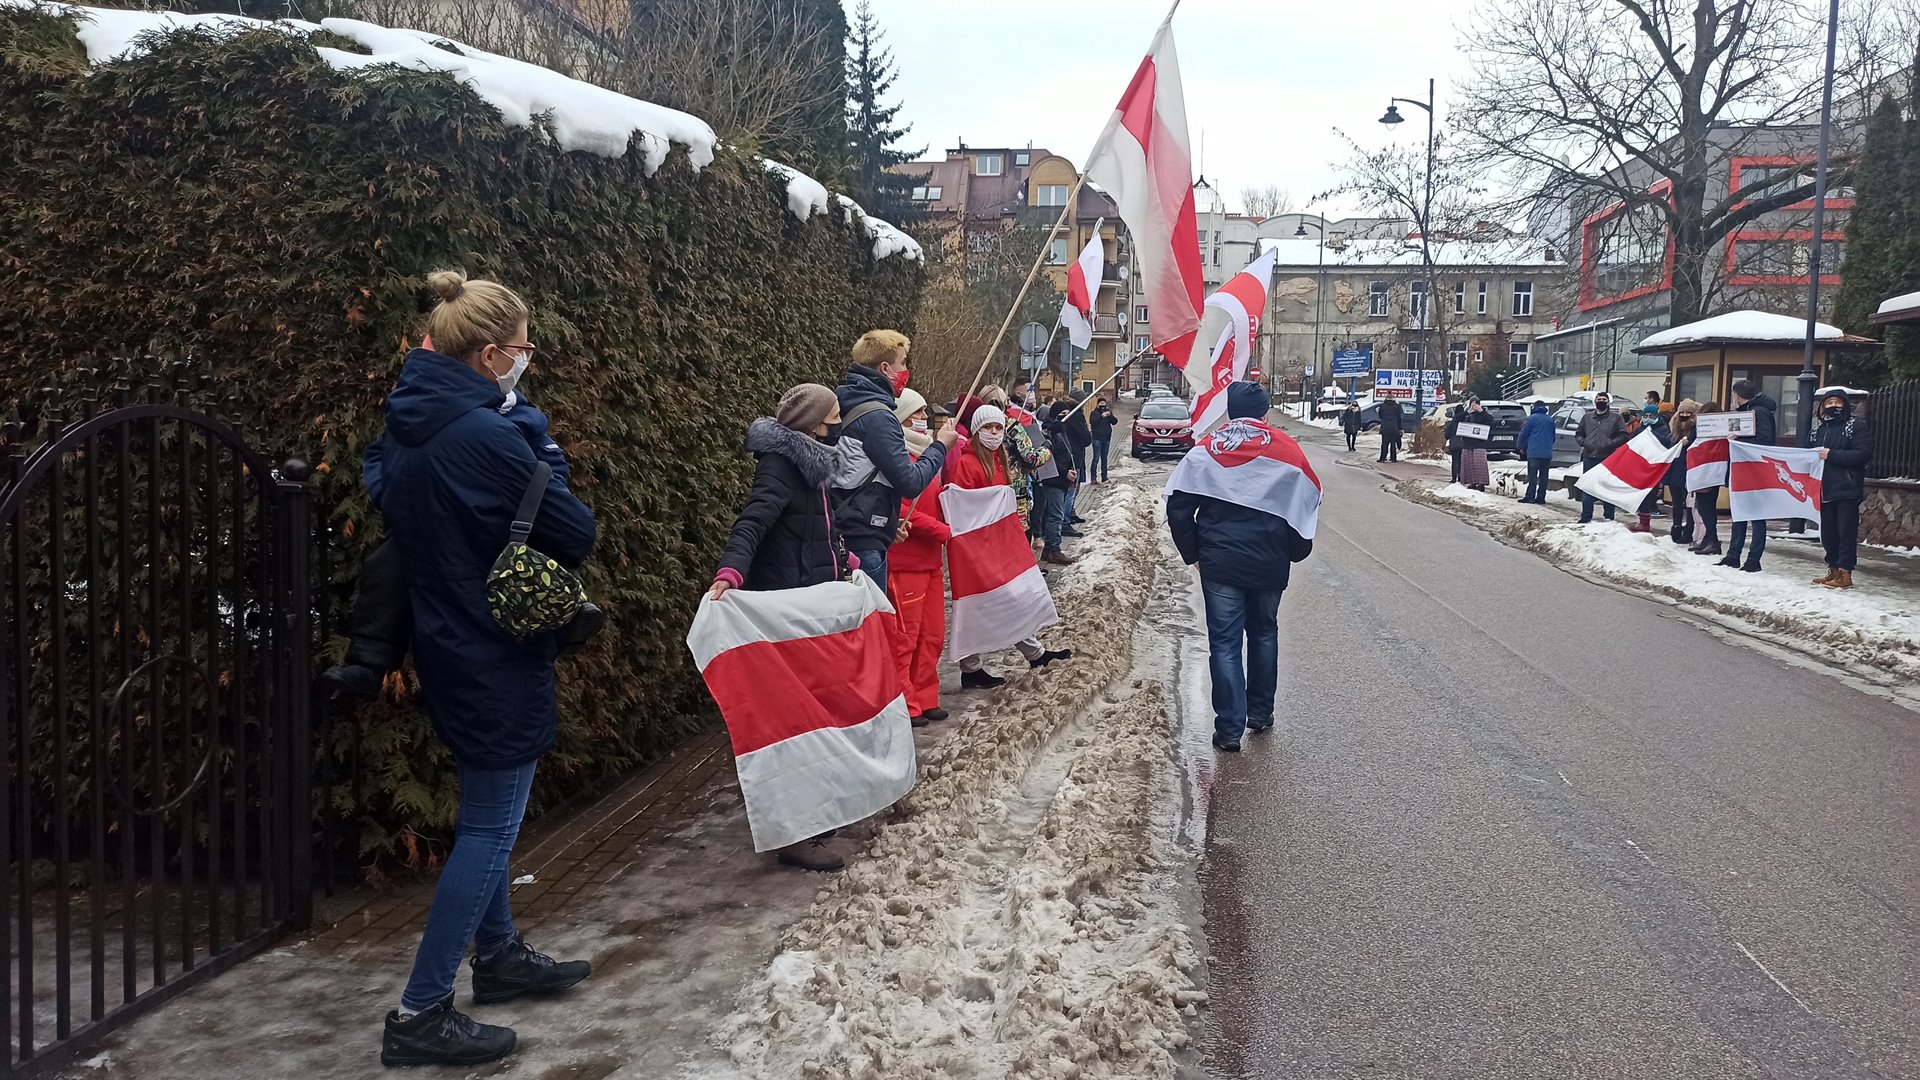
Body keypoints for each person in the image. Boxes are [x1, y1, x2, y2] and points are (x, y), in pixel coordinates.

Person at [371, 271, 596, 1068]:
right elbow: (575, 531)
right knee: (490, 830)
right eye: (523, 353)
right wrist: (541, 440)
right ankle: (420, 1011)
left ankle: (497, 959)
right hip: (493, 644)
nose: (527, 365)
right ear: (490, 354)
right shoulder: (489, 433)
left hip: (443, 633)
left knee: (485, 815)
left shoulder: (406, 422)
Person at [1166, 382, 1314, 753]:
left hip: (1221, 561)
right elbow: (1307, 498)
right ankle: (1261, 713)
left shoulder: (1207, 450)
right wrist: (1296, 549)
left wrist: (1193, 551)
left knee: (1225, 644)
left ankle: (1229, 730)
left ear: (1231, 411)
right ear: (1265, 412)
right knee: (1264, 633)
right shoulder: (1287, 449)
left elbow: (1178, 504)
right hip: (1270, 559)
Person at [945, 403, 1072, 687]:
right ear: (977, 431)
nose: (994, 433)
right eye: (988, 428)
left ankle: (1033, 653)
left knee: (1009, 598)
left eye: (998, 428)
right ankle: (971, 667)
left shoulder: (998, 459)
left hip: (998, 544)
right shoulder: (966, 464)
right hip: (977, 548)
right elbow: (964, 509)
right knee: (982, 604)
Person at [831, 329, 957, 592]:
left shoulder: (843, 403)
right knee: (872, 627)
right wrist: (939, 447)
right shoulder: (879, 417)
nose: (906, 370)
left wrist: (887, 525)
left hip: (849, 531)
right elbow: (910, 482)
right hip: (864, 543)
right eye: (903, 363)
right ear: (886, 368)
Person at [886, 388, 953, 726]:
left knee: (931, 634)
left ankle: (926, 696)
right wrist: (937, 528)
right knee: (905, 638)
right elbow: (896, 508)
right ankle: (905, 702)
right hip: (905, 560)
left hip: (929, 562)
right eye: (918, 411)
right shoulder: (896, 457)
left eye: (926, 411)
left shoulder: (926, 455)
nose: (924, 418)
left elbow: (929, 498)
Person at [1809, 389, 1874, 589]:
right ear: (1822, 406)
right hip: (1823, 490)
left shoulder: (1855, 426)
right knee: (1828, 534)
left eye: (1837, 402)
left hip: (1846, 488)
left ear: (1845, 405)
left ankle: (1846, 573)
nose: (1833, 406)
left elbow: (1862, 454)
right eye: (1829, 403)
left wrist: (1832, 455)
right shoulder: (1817, 431)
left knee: (1845, 532)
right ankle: (1833, 569)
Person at [1720, 379, 1777, 572]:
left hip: (1754, 470)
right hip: (1742, 469)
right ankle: (1733, 555)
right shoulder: (1748, 412)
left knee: (1757, 515)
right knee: (1739, 512)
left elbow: (1765, 440)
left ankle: (1753, 558)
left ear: (1737, 395)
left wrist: (1739, 438)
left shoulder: (1759, 412)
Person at [1575, 392, 1630, 524]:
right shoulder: (1587, 418)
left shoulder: (1616, 418)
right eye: (1599, 399)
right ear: (1595, 401)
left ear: (1608, 402)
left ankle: (1609, 517)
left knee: (1607, 487)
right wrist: (1584, 442)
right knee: (1588, 487)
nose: (1601, 401)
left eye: (1604, 399)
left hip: (1607, 458)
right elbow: (1578, 433)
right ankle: (1586, 516)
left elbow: (1623, 435)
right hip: (1589, 456)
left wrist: (1610, 444)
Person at [1037, 401, 1081, 564]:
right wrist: (1064, 472)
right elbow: (1050, 457)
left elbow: (1067, 454)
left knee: (1053, 514)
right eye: (1062, 414)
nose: (1066, 417)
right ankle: (1054, 548)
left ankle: (1049, 548)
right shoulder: (1050, 431)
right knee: (1056, 515)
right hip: (1053, 480)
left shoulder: (1062, 430)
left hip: (1062, 479)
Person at [1690, 401, 1726, 557]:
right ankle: (1708, 539)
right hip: (1709, 473)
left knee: (1706, 509)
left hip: (1706, 473)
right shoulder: (1719, 431)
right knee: (1705, 508)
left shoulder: (1712, 432)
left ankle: (1713, 540)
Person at [1630, 406, 1672, 533]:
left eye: (1651, 416)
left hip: (1654, 467)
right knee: (1641, 494)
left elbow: (1667, 443)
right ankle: (1642, 520)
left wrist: (1652, 434)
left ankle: (1646, 521)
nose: (1648, 418)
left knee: (1650, 494)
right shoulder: (1640, 429)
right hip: (1641, 465)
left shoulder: (1663, 429)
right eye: (1646, 416)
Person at [1665, 400, 1700, 544]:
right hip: (1675, 470)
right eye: (1682, 413)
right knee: (1677, 502)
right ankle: (1677, 526)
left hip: (1688, 470)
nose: (1685, 415)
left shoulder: (1695, 430)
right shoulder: (1674, 429)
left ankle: (1689, 530)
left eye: (1688, 413)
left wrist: (1689, 443)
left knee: (1689, 503)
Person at [1062, 391, 1094, 532]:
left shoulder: (1065, 412)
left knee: (1073, 488)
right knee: (1071, 490)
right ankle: (1065, 522)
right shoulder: (1076, 414)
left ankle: (1071, 514)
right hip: (1074, 455)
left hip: (1068, 455)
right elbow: (1086, 439)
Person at [1517, 400, 1555, 503]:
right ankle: (1541, 497)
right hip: (1547, 453)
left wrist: (1520, 446)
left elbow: (1524, 433)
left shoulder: (1531, 419)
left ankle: (1530, 496)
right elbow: (1553, 437)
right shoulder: (1550, 419)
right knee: (1544, 476)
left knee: (1532, 475)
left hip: (1534, 451)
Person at [1458, 398, 1492, 490]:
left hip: (1479, 443)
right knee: (1469, 463)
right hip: (1468, 443)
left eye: (1476, 404)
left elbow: (1490, 420)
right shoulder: (1466, 414)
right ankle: (1472, 482)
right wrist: (1468, 412)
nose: (1474, 406)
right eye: (1472, 404)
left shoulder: (1483, 415)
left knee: (1479, 464)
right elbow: (1457, 419)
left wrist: (1481, 411)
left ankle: (1481, 483)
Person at [1089, 396, 1118, 483]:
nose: (1102, 405)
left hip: (1106, 439)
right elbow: (1093, 422)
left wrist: (1110, 415)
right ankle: (1093, 478)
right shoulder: (1094, 413)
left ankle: (1104, 477)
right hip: (1097, 439)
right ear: (1098, 404)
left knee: (1104, 459)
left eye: (1103, 404)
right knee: (1096, 458)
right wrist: (1101, 416)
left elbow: (1115, 422)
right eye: (1101, 404)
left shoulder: (1107, 412)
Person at [1375, 396, 1404, 463]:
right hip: (1394, 427)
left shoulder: (1382, 406)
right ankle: (1393, 458)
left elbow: (1380, 415)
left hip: (1385, 427)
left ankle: (1382, 458)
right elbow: (1399, 418)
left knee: (1384, 444)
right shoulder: (1397, 406)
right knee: (1393, 444)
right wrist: (1400, 428)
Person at [1443, 406, 1463, 483]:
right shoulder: (1466, 421)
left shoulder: (1453, 422)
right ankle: (1461, 477)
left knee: (1455, 461)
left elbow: (1447, 435)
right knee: (1461, 461)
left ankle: (1454, 478)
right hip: (1463, 444)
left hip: (1454, 444)